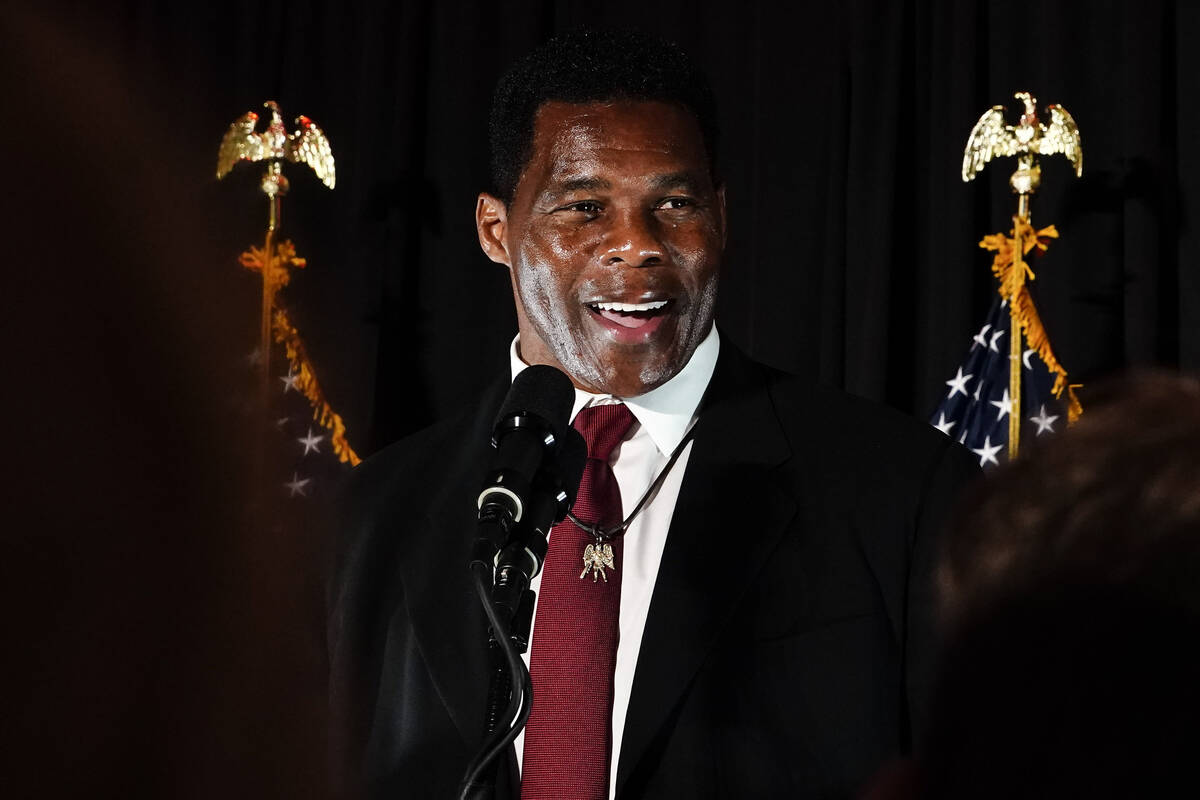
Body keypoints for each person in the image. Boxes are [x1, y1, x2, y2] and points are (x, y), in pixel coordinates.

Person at [328, 29, 979, 800]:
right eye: (584, 207)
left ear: (722, 216)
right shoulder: (372, 518)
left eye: (673, 203)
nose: (636, 245)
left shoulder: (902, 491)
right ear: (496, 231)